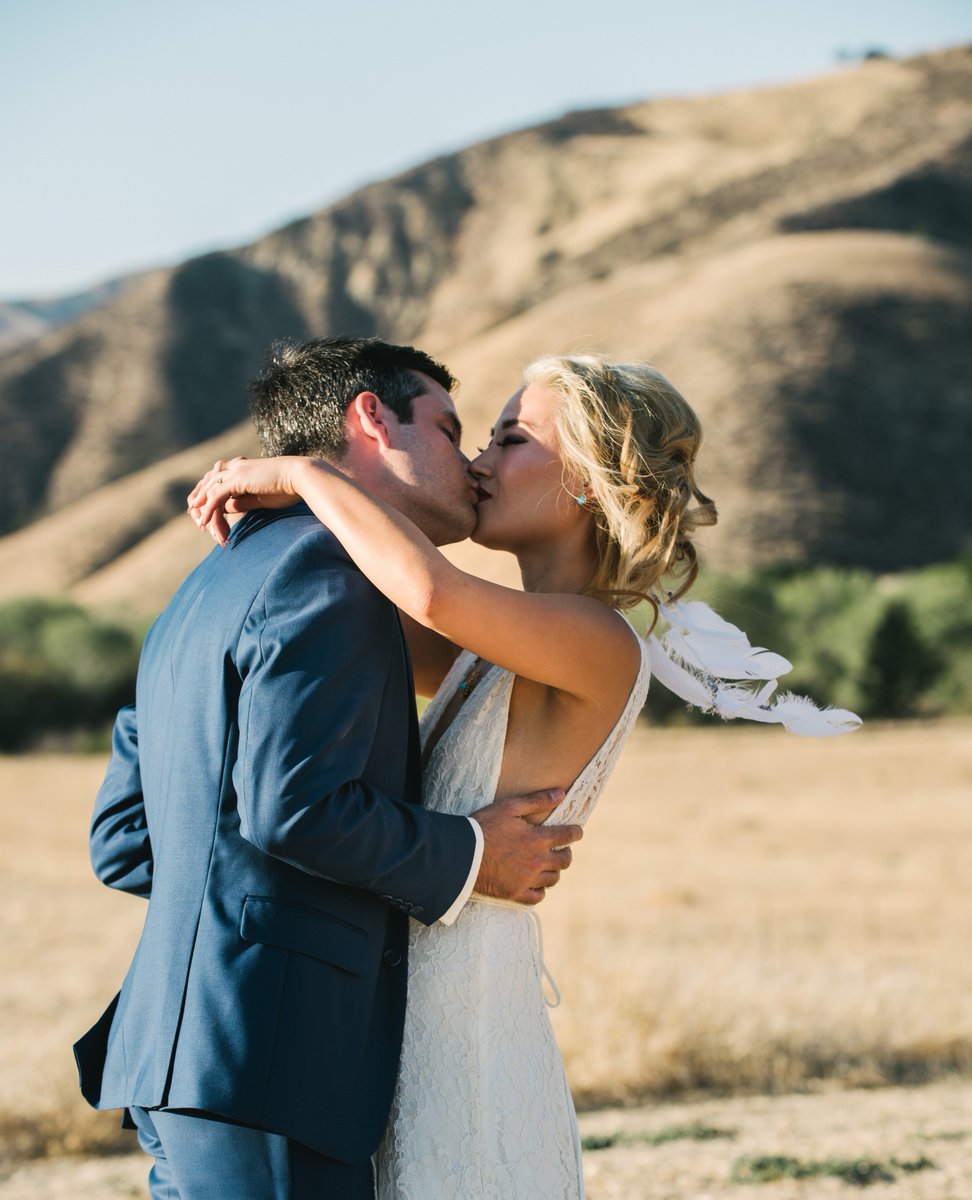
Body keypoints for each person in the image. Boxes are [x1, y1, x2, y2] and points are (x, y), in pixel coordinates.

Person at [189, 352, 861, 1198]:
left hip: (467, 1015)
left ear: (589, 478)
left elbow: (425, 590)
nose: (477, 462)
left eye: (509, 440)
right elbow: (366, 603)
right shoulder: (488, 650)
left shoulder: (598, 639)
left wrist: (298, 471)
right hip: (407, 1007)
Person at [74, 336, 584, 1200]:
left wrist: (237, 908)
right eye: (449, 427)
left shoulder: (209, 582)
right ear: (371, 418)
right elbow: (295, 809)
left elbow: (125, 840)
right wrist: (470, 854)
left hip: (179, 1055)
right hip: (276, 1053)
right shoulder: (330, 572)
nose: (468, 462)